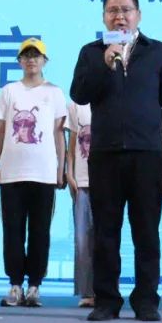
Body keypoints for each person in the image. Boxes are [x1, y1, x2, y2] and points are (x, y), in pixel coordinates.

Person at [70, 0, 162, 322]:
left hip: (147, 154)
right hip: (105, 154)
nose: (119, 16)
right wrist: (105, 64)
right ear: (104, 17)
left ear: (138, 15)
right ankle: (107, 300)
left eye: (126, 10)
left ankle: (146, 300)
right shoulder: (92, 53)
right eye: (113, 11)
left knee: (146, 231)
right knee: (106, 232)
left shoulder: (158, 52)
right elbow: (79, 94)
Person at [0, 37, 67, 308]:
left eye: (36, 56)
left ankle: (34, 286)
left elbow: (59, 134)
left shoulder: (54, 93)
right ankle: (15, 285)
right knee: (12, 231)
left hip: (44, 173)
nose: (31, 60)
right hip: (12, 172)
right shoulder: (9, 91)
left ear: (45, 61)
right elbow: (0, 131)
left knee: (40, 231)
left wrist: (61, 168)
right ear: (19, 61)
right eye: (26, 55)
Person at [65, 100, 95, 307]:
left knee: (106, 239)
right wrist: (69, 173)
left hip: (108, 182)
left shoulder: (114, 100)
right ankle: (87, 291)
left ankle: (106, 289)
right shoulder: (76, 105)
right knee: (83, 239)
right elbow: (72, 143)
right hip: (82, 181)